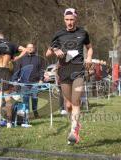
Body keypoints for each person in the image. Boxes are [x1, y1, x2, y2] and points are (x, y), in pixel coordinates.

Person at [46, 8, 93, 144]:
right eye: (67, 20)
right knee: (68, 105)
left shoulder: (83, 33)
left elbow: (89, 47)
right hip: (64, 70)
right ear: (64, 19)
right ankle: (76, 124)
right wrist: (55, 50)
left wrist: (89, 57)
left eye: (72, 19)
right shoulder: (58, 34)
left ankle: (73, 131)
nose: (69, 22)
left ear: (76, 19)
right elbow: (47, 53)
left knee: (76, 101)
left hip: (78, 69)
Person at [0, 30, 27, 128]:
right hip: (7, 71)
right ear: (4, 37)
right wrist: (17, 57)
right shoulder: (12, 44)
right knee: (7, 98)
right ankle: (9, 122)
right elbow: (25, 49)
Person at [14, 43, 45, 127]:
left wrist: (41, 79)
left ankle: (35, 111)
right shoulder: (21, 59)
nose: (30, 49)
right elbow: (17, 70)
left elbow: (42, 70)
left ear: (34, 49)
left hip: (35, 82)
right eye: (28, 47)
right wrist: (16, 80)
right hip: (24, 83)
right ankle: (27, 115)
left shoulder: (39, 59)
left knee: (35, 98)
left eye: (31, 47)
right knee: (25, 100)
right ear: (26, 49)